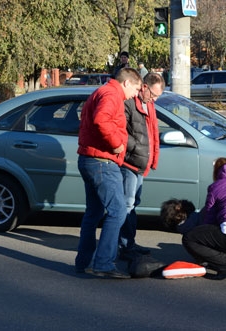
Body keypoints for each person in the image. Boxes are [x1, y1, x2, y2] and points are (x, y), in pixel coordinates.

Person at [75, 68, 142, 279]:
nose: (136, 94)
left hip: (89, 159)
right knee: (118, 211)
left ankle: (84, 262)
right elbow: (101, 120)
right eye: (136, 88)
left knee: (93, 213)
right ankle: (103, 263)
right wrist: (116, 145)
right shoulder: (111, 95)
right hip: (102, 162)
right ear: (127, 83)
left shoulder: (102, 92)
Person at [118, 73, 165, 260]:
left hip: (140, 162)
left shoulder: (150, 105)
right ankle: (123, 246)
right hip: (128, 162)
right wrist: (137, 148)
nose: (154, 99)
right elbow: (121, 131)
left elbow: (153, 133)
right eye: (153, 94)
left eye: (157, 97)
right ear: (144, 87)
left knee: (133, 204)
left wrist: (152, 157)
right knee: (126, 205)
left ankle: (130, 242)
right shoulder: (129, 102)